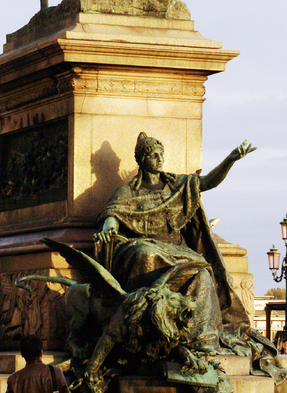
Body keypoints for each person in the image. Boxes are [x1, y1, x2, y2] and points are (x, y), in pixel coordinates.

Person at [93, 132, 255, 358]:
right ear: (142, 160)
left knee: (202, 272)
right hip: (144, 243)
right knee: (145, 253)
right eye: (154, 155)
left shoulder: (177, 185)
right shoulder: (128, 191)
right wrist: (107, 230)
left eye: (161, 154)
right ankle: (142, 326)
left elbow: (207, 182)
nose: (160, 159)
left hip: (177, 249)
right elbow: (113, 215)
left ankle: (201, 338)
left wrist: (230, 160)